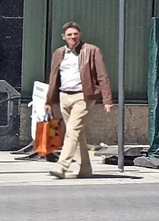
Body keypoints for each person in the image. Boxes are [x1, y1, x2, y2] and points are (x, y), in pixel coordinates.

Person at [44, 21, 115, 179]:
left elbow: (102, 76)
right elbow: (53, 78)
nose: (73, 37)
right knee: (77, 134)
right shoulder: (59, 53)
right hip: (64, 96)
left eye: (75, 34)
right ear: (63, 37)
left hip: (83, 96)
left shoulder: (91, 51)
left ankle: (62, 166)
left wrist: (107, 100)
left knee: (72, 131)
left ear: (80, 35)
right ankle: (85, 168)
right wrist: (49, 101)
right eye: (69, 35)